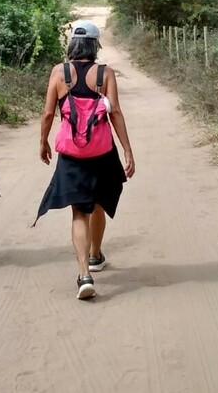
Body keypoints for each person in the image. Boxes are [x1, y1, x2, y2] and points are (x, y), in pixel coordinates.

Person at [36, 20, 135, 299]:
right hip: (102, 151)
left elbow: (46, 114)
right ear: (95, 45)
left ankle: (84, 274)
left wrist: (43, 142)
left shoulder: (59, 72)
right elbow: (114, 113)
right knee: (99, 201)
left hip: (72, 153)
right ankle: (95, 255)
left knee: (79, 211)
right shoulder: (105, 74)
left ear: (72, 44)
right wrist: (127, 150)